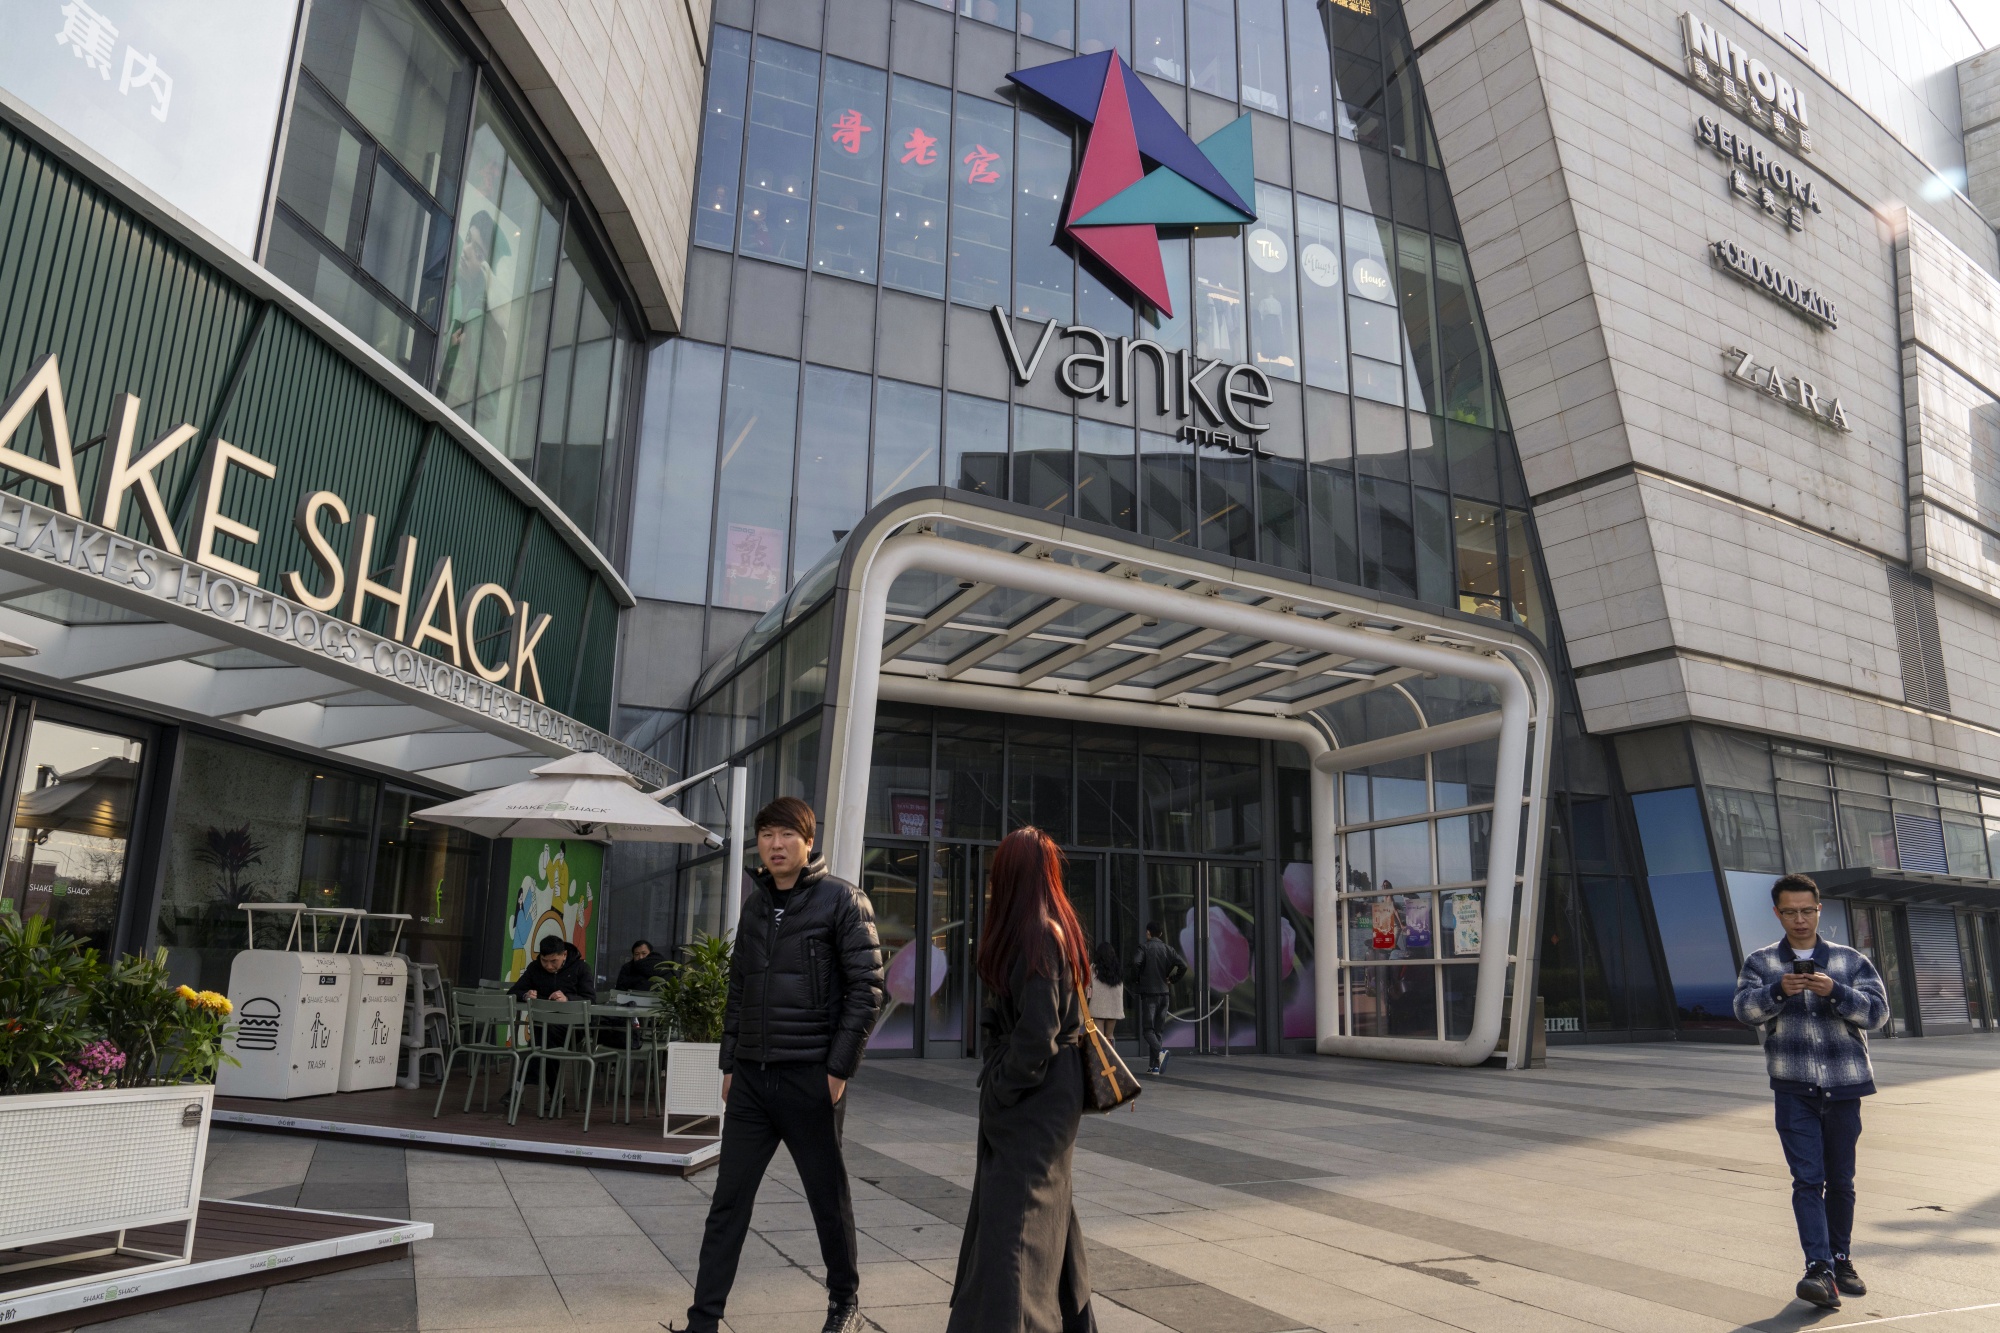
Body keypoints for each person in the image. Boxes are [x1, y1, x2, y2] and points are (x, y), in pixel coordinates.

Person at [679, 797, 885, 1333]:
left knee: (826, 1200)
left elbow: (867, 990)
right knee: (728, 1202)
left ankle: (845, 1303)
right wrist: (729, 1063)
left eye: (786, 834)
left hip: (809, 1076)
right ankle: (703, 1320)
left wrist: (837, 1071)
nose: (775, 844)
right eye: (767, 834)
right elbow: (739, 988)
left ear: (808, 842)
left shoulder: (843, 900)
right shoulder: (755, 905)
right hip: (751, 1078)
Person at [948, 827, 1096, 1333]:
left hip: (1038, 1096)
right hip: (1050, 1092)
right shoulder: (1049, 929)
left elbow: (1037, 1036)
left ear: (1011, 877)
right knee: (1044, 1212)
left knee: (1015, 1223)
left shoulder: (1038, 934)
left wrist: (1000, 1088)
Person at [1733, 873, 1890, 1312]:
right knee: (1807, 1179)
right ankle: (1818, 1267)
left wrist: (1836, 991)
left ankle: (1841, 1260)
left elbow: (1878, 1014)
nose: (1799, 919)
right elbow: (1744, 1011)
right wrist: (1777, 991)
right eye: (1790, 912)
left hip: (1844, 1085)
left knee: (1841, 1180)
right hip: (1793, 1086)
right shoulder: (1761, 962)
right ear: (1777, 913)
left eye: (1806, 911)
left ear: (1819, 910)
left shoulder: (1850, 960)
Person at [1129, 921, 1187, 1076]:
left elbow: (1135, 962)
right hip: (1164, 993)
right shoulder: (1168, 949)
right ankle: (1154, 1066)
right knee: (1158, 1031)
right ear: (1160, 934)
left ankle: (1161, 1051)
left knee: (1148, 1030)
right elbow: (1183, 966)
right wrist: (1172, 979)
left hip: (1149, 994)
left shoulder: (1144, 948)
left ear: (1148, 933)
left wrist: (1137, 979)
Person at [510, 936, 595, 1002]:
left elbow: (590, 999)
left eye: (554, 961)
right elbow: (513, 992)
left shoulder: (581, 968)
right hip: (541, 1018)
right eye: (544, 960)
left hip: (573, 1018)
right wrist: (525, 995)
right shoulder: (535, 967)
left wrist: (567, 999)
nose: (548, 966)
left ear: (564, 955)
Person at [1085, 940, 1125, 1041]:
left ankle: (1100, 1052)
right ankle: (1111, 1052)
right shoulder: (1117, 970)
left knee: (1100, 1038)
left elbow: (1087, 987)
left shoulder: (1093, 968)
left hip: (1098, 1007)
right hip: (1114, 1008)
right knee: (1110, 1036)